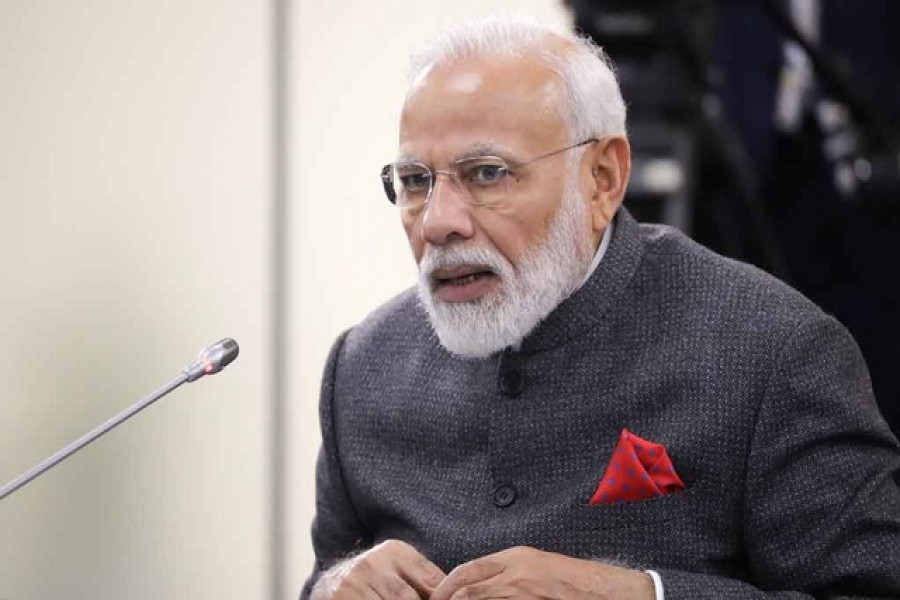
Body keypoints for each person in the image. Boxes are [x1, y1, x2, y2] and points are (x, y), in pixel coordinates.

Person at [301, 16, 900, 600]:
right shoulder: (362, 367)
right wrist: (333, 587)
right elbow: (325, 572)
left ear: (603, 179)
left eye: (486, 174)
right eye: (413, 181)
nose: (438, 222)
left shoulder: (771, 350)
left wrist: (642, 594)